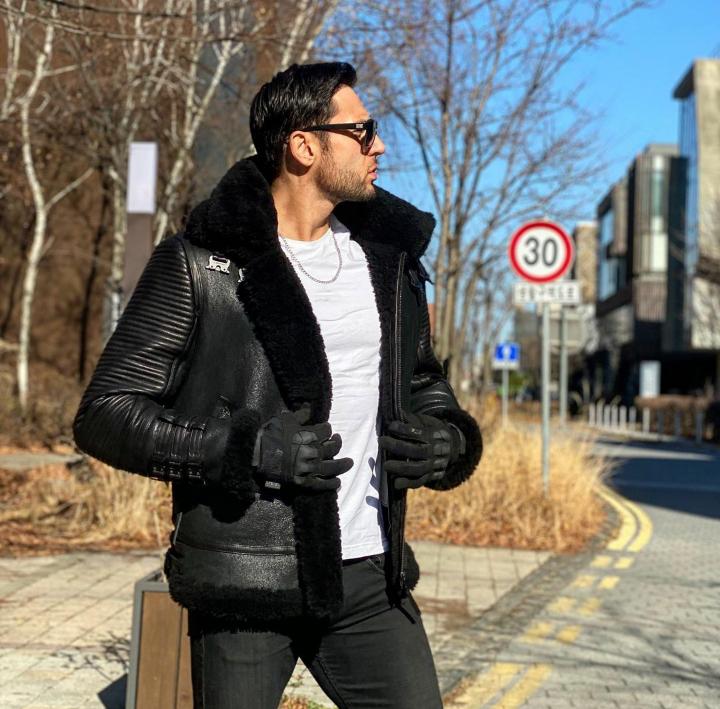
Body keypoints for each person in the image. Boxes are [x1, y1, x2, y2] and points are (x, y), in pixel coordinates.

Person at [73, 62, 482, 709]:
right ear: (303, 146)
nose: (378, 146)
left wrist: (446, 441)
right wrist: (245, 450)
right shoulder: (201, 264)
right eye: (362, 130)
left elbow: (424, 382)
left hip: (370, 577)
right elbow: (105, 413)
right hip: (246, 581)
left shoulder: (390, 261)